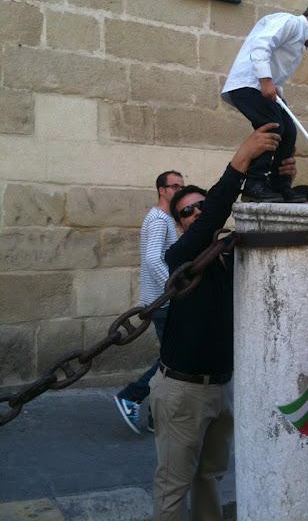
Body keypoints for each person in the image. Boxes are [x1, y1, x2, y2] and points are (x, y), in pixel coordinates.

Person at [149, 123, 286, 521]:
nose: (194, 214)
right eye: (185, 212)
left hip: (221, 388)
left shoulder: (229, 257)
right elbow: (210, 224)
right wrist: (239, 161)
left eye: (199, 207)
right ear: (180, 224)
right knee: (173, 485)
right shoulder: (180, 259)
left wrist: (282, 178)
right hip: (181, 392)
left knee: (210, 476)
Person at [221, 0, 308, 203]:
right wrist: (265, 81)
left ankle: (279, 185)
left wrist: (276, 88)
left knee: (288, 129)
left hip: (262, 87)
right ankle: (254, 184)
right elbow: (261, 46)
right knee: (272, 126)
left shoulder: (298, 45)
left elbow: (277, 71)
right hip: (248, 84)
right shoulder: (289, 22)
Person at [114, 170, 184, 434]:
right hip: (162, 301)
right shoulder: (158, 220)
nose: (178, 189)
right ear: (162, 190)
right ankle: (131, 395)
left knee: (170, 358)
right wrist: (174, 287)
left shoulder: (166, 218)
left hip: (161, 299)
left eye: (181, 185)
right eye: (174, 186)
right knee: (172, 359)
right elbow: (154, 259)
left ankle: (156, 415)